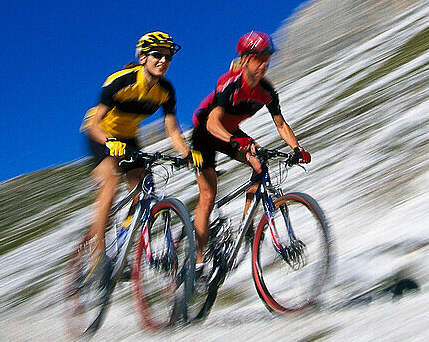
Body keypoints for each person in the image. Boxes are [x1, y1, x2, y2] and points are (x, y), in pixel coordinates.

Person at [82, 30, 194, 288]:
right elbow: (95, 124)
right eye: (157, 55)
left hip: (129, 139)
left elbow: (172, 130)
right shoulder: (120, 81)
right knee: (111, 185)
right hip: (101, 134)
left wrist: (187, 155)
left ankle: (123, 241)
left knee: (143, 188)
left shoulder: (166, 90)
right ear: (143, 57)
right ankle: (96, 258)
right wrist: (110, 142)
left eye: (167, 56)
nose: (163, 60)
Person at [190, 30, 311, 265]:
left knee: (260, 164)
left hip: (230, 131)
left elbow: (280, 123)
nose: (264, 65)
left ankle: (247, 227)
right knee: (208, 195)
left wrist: (297, 149)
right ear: (245, 59)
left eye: (267, 59)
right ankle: (198, 261)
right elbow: (212, 122)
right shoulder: (229, 83)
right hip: (205, 132)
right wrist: (234, 141)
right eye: (259, 59)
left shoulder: (266, 91)